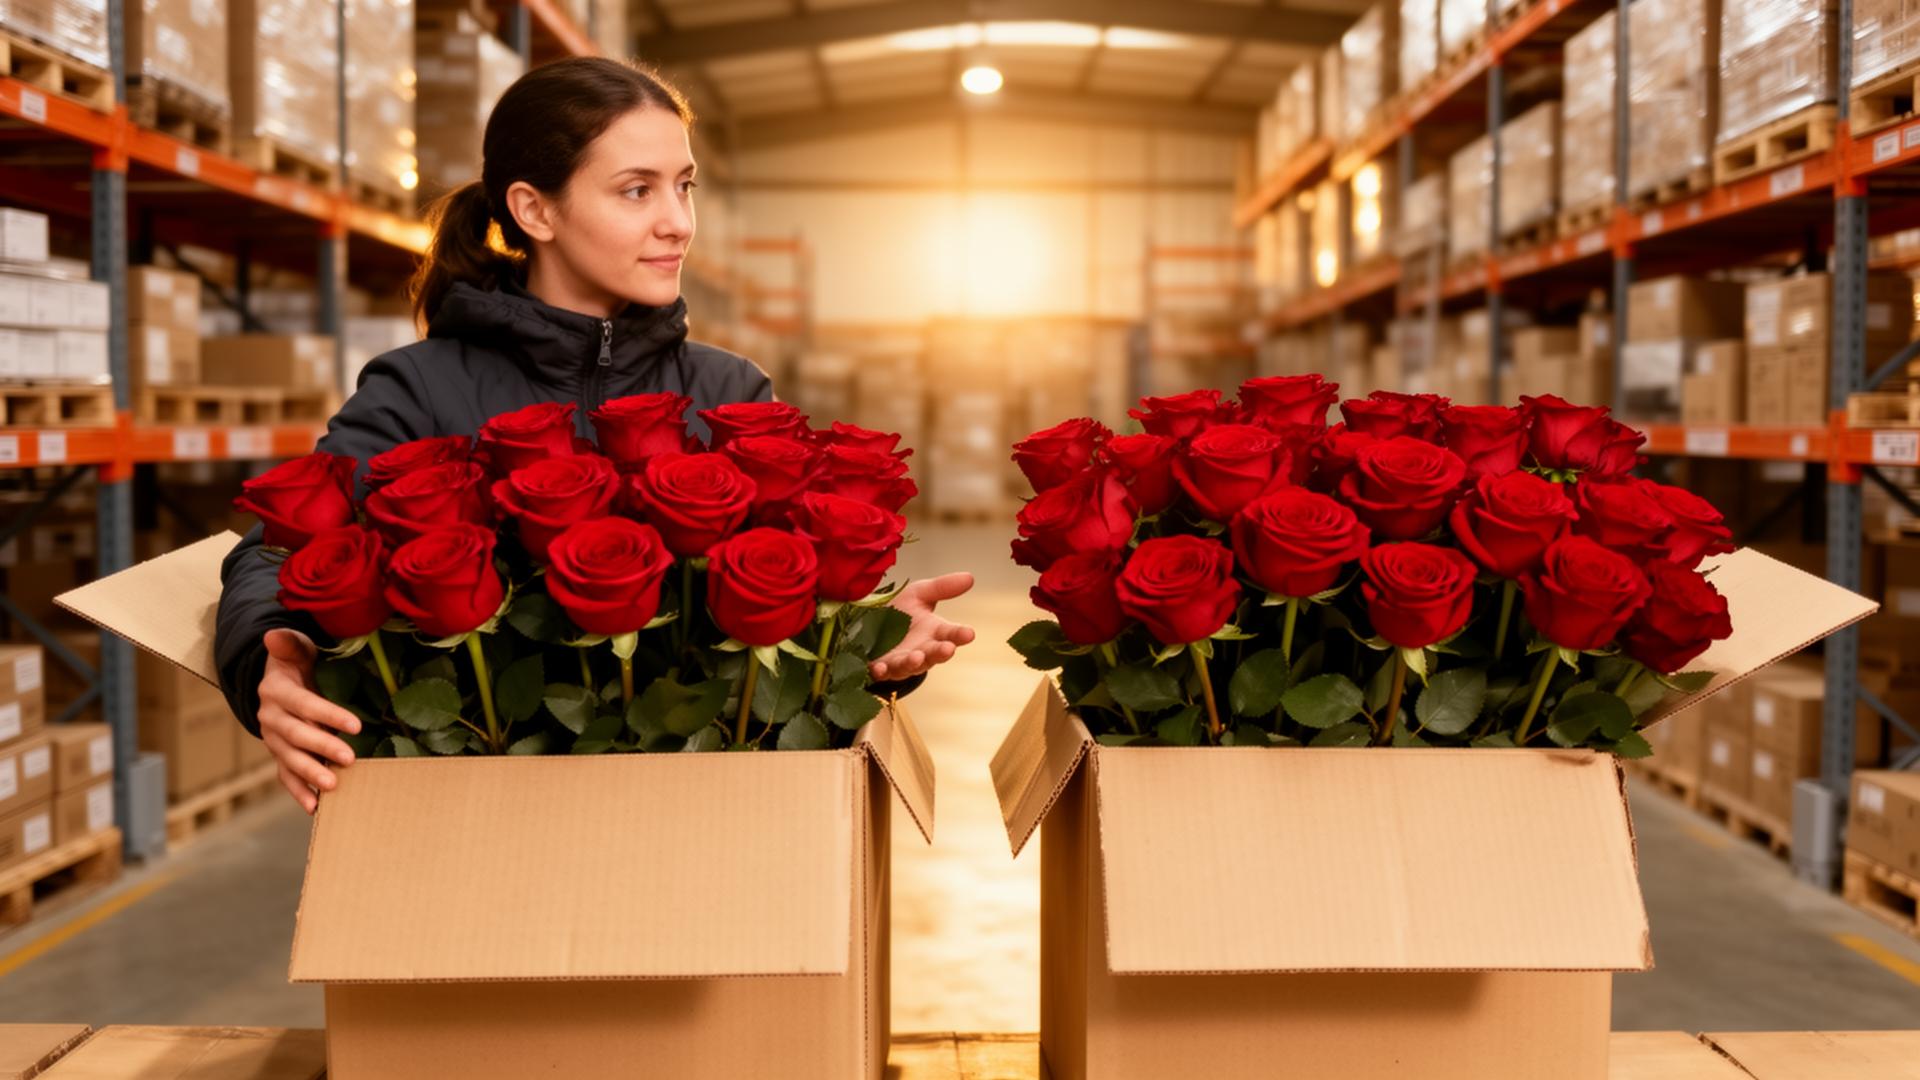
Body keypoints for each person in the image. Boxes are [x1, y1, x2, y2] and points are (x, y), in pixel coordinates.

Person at [214, 57, 977, 812]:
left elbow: (782, 600)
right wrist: (272, 661)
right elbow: (276, 550)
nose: (677, 221)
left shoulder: (727, 395)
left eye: (684, 186)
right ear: (534, 210)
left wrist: (865, 630)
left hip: (694, 817)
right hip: (476, 818)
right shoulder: (420, 388)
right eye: (637, 190)